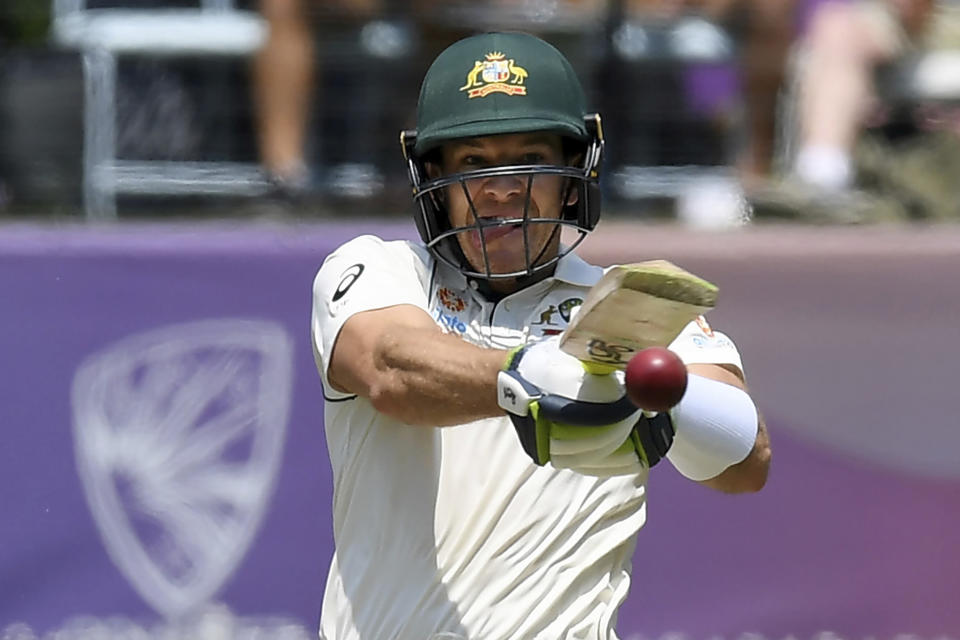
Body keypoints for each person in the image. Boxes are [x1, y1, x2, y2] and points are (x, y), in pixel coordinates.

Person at [311, 31, 771, 639]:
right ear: (434, 180)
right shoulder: (378, 268)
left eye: (530, 160)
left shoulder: (635, 308)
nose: (502, 188)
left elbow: (746, 462)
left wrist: (658, 398)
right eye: (474, 163)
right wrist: (526, 376)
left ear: (573, 176)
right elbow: (392, 372)